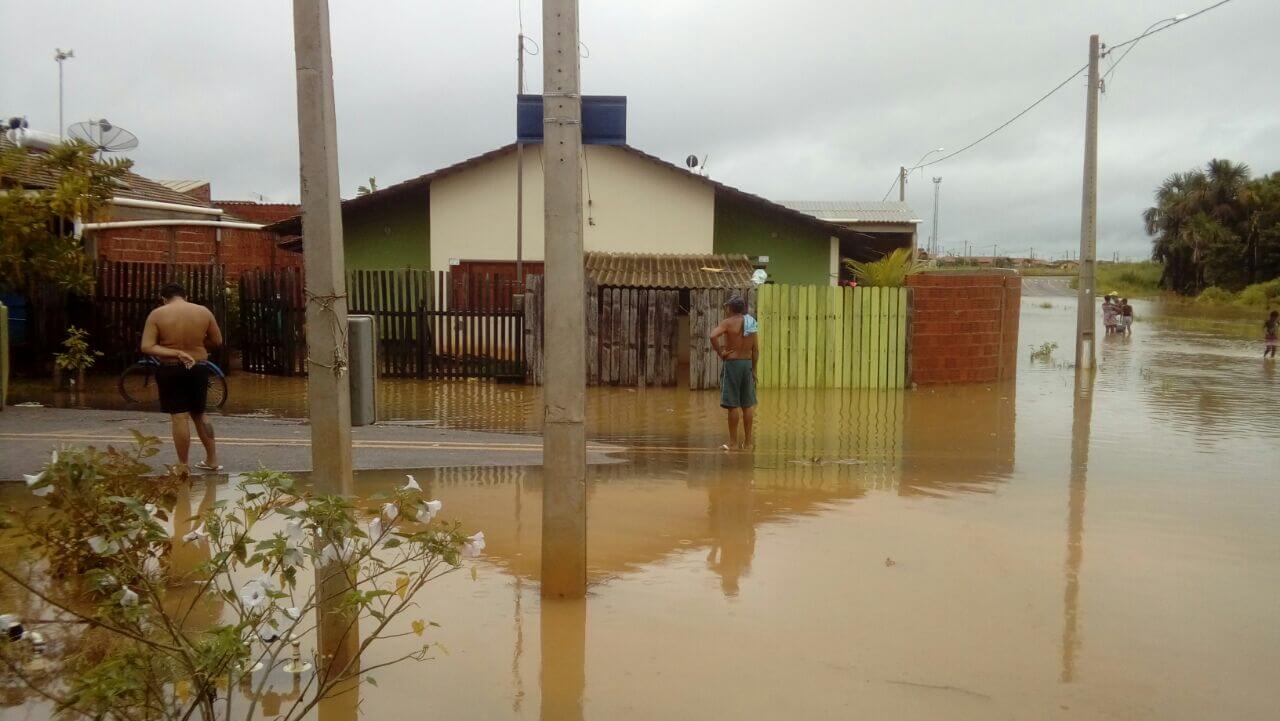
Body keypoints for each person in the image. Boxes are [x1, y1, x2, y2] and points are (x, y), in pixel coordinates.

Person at [140, 283, 223, 471]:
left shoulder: (158, 314)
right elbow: (217, 341)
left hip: (170, 368)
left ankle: (183, 465)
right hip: (199, 366)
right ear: (184, 296)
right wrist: (197, 344)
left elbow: (147, 346)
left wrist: (176, 352)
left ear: (164, 298)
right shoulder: (203, 312)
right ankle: (212, 460)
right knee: (199, 413)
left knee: (179, 417)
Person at [710, 295, 758, 450]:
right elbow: (756, 349)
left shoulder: (728, 322)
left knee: (733, 405)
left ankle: (733, 443)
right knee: (748, 404)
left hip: (733, 364)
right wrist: (754, 369)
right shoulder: (751, 322)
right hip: (747, 364)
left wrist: (721, 353)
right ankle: (749, 443)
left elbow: (712, 336)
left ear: (731, 308)